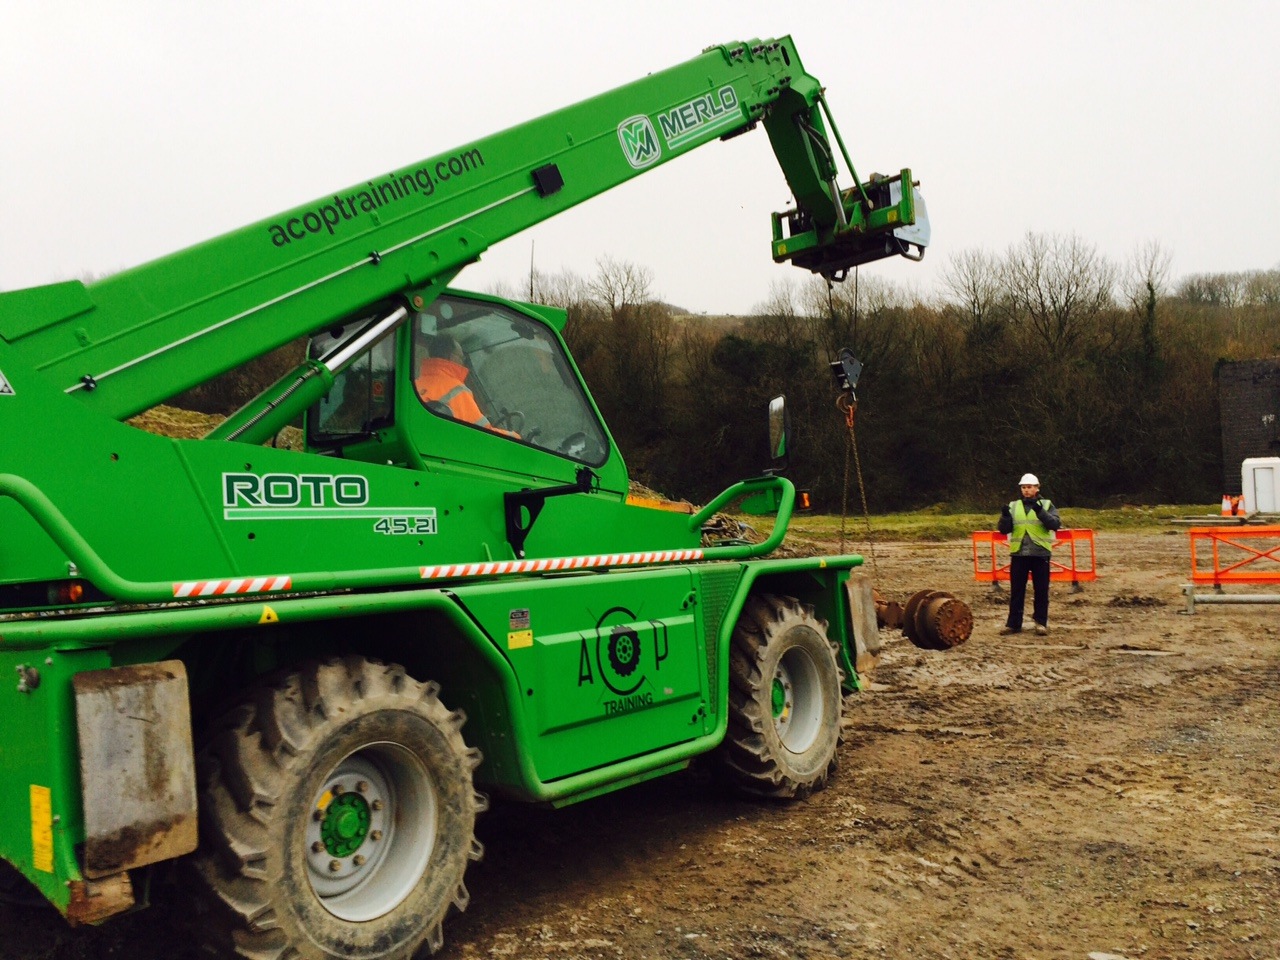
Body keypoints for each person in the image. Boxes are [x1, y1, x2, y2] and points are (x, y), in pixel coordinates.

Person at [997, 472, 1061, 636]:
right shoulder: (1014, 506)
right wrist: (1005, 517)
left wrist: (1041, 512)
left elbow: (1055, 524)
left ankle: (1041, 623)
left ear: (1037, 488)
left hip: (1040, 554)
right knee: (1016, 591)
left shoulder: (1047, 505)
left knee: (1041, 591)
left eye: (1029, 487)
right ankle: (1014, 624)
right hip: (1019, 553)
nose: (1026, 490)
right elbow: (1004, 530)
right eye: (1024, 487)